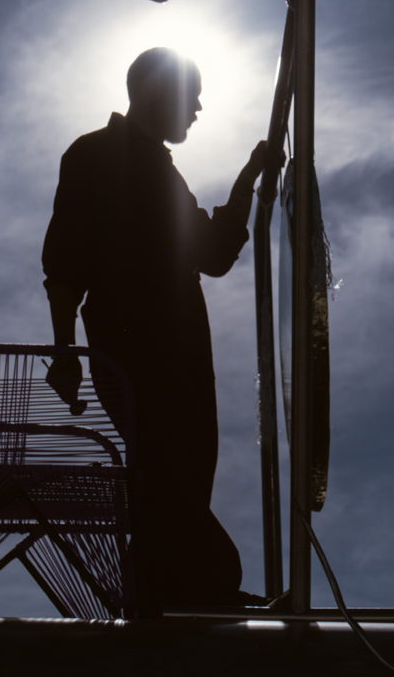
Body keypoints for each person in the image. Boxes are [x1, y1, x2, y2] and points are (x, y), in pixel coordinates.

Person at [41, 47, 268, 612]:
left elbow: (212, 255)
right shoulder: (92, 155)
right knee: (166, 474)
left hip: (185, 354)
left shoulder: (165, 176)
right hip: (133, 351)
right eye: (190, 95)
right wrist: (65, 353)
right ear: (153, 91)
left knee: (184, 474)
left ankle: (171, 599)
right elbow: (64, 265)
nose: (197, 108)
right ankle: (205, 588)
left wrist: (247, 180)